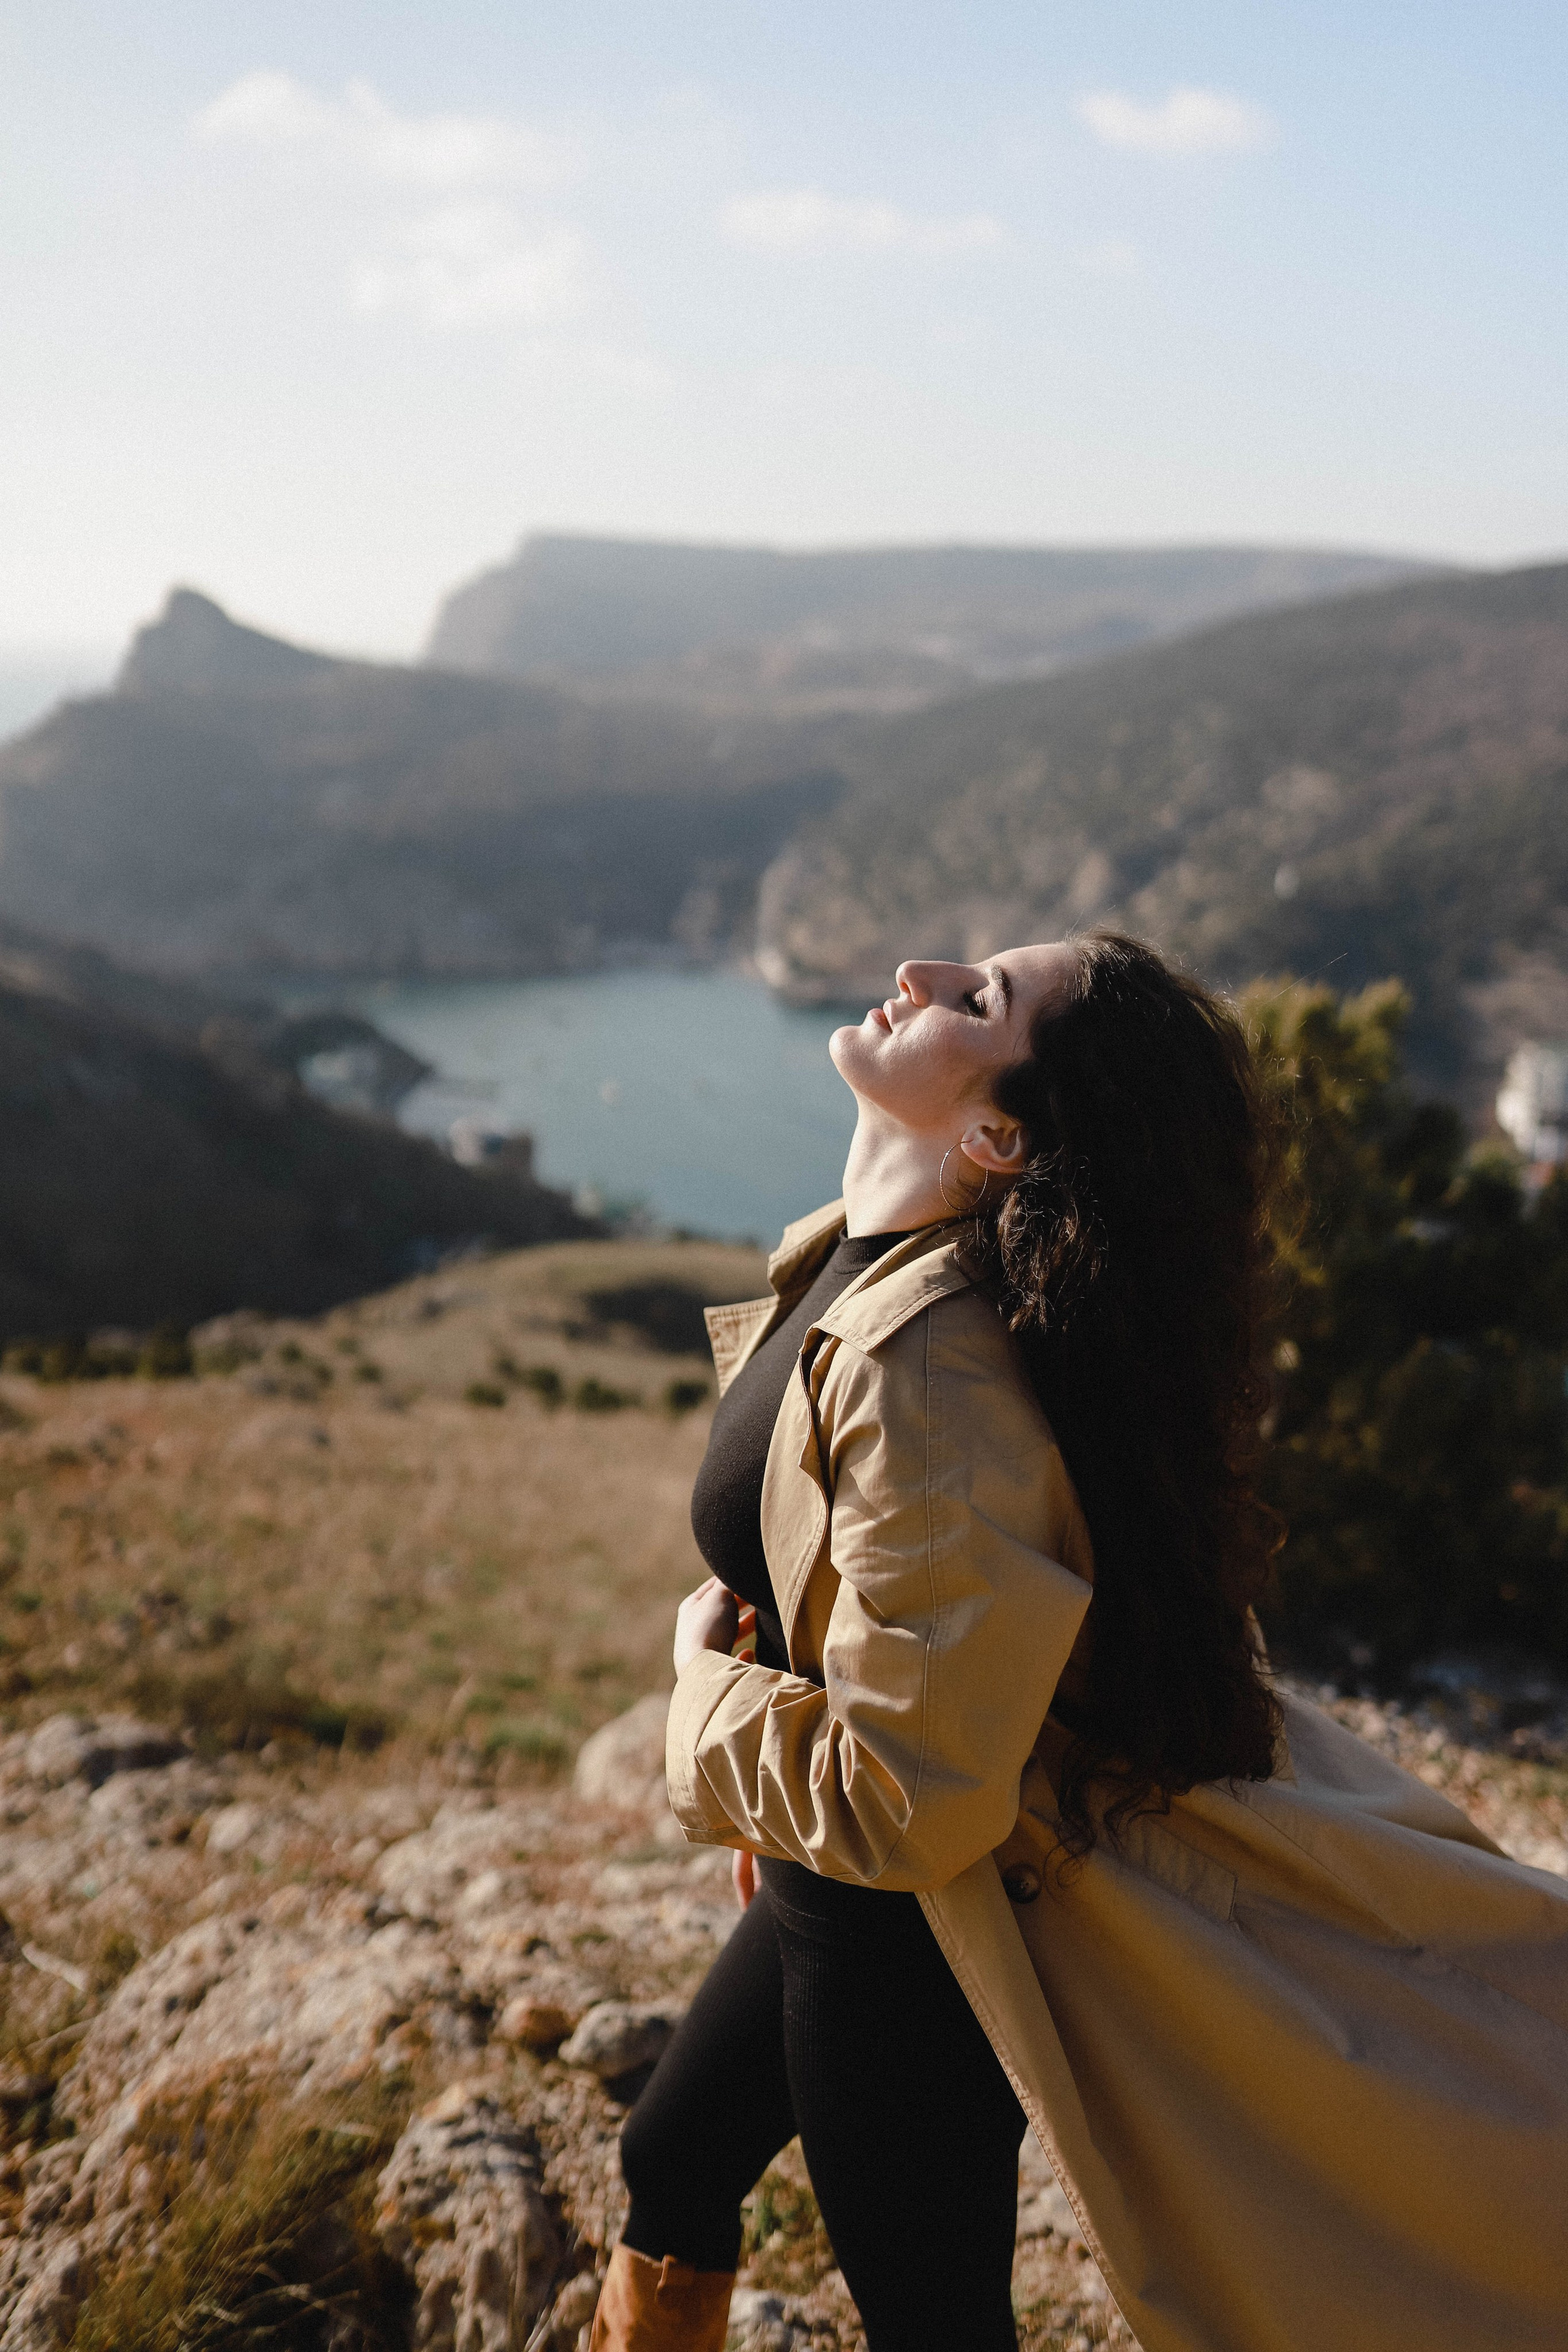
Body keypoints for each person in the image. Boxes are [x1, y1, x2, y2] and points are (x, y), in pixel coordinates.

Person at [589, 932, 1568, 2352]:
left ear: (994, 1133)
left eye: (978, 999)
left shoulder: (926, 1371)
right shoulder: (864, 1260)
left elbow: (913, 1799)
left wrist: (702, 1709)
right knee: (669, 2160)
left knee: (931, 2327)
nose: (918, 969)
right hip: (832, 1886)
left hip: (913, 1932)